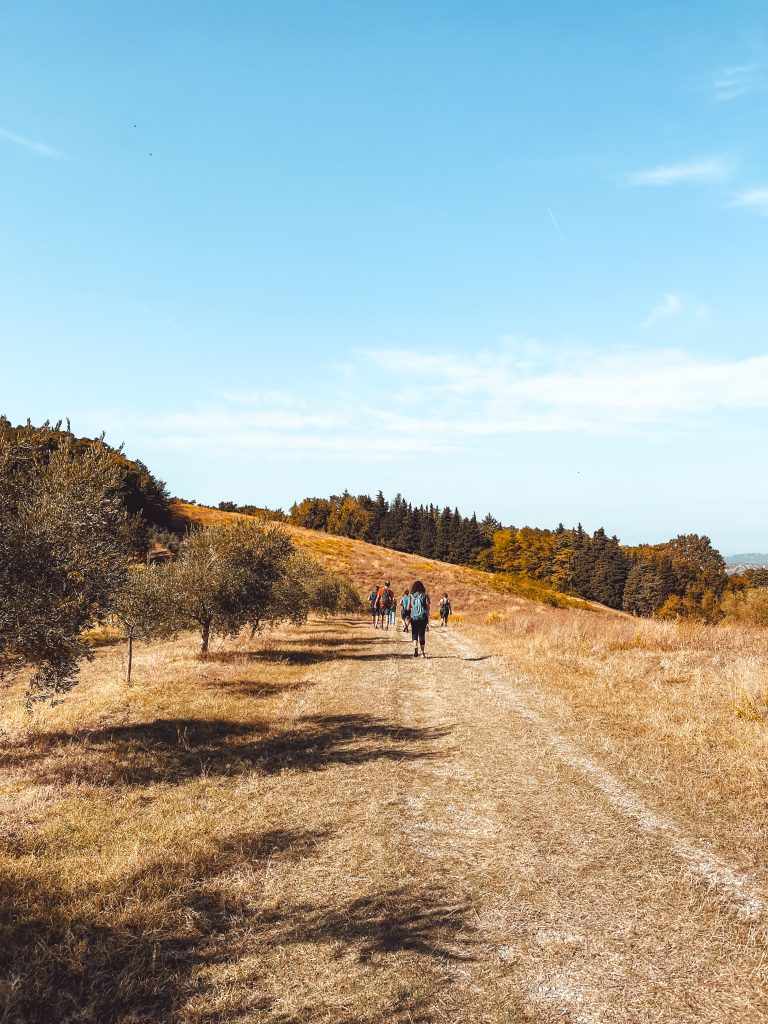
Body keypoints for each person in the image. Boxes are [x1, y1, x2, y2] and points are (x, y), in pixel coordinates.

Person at [409, 580, 430, 657]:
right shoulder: (424, 595)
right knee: (421, 634)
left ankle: (415, 646)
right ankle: (422, 653)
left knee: (414, 633)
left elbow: (408, 607)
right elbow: (428, 606)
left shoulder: (411, 595)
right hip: (423, 617)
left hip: (414, 617)